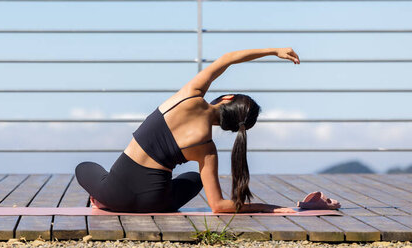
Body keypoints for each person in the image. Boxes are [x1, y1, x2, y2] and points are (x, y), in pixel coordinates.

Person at [75, 47, 301, 213]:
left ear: (228, 98)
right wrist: (272, 208)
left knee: (84, 167)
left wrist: (274, 51)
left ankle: (100, 199)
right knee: (195, 177)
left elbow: (228, 59)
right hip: (156, 203)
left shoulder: (190, 95)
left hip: (113, 194)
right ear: (232, 128)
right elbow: (219, 206)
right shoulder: (207, 149)